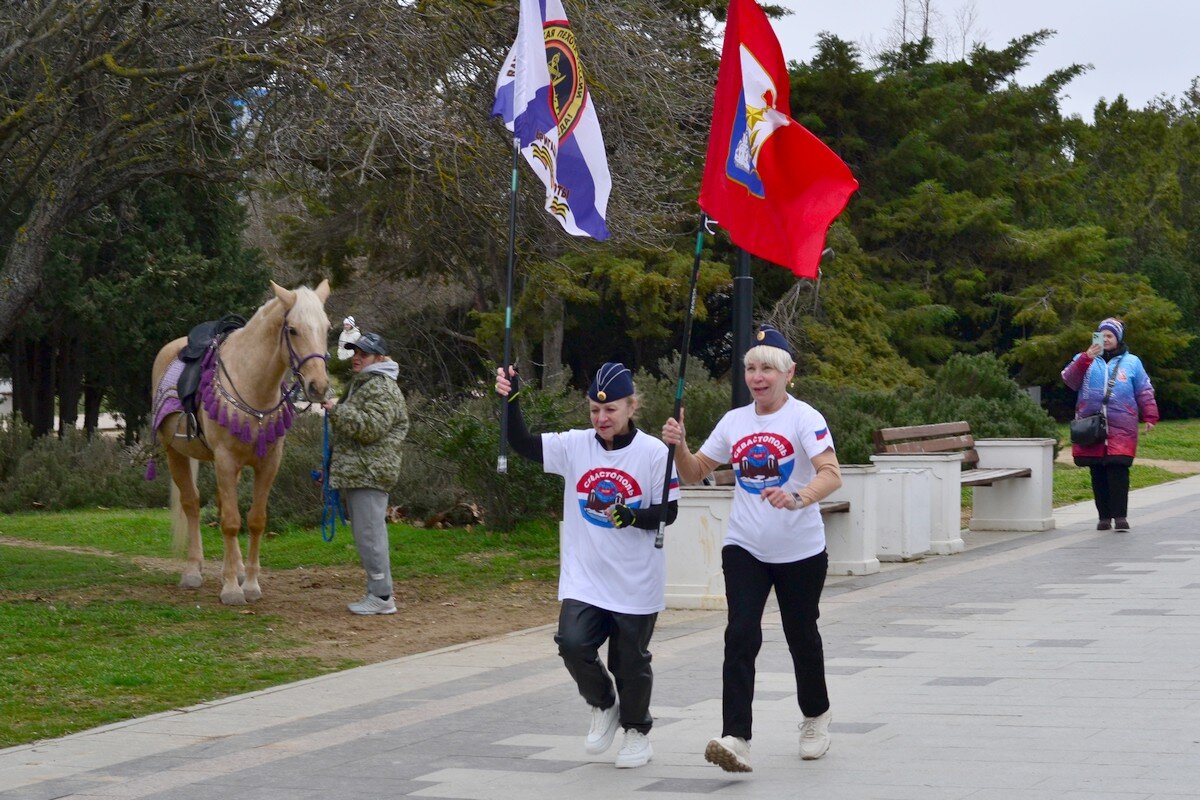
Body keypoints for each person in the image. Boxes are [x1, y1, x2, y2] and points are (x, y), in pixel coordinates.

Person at [661, 325, 842, 773]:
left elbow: (831, 472)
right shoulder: (735, 421)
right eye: (750, 368)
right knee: (740, 634)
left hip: (800, 549)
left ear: (788, 373)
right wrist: (680, 445)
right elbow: (693, 471)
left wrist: (797, 497)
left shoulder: (805, 418)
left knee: (802, 634)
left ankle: (816, 716)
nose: (758, 377)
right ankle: (736, 738)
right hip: (745, 546)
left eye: (767, 368)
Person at [494, 362, 679, 769]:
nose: (601, 419)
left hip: (635, 580)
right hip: (586, 578)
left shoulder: (652, 452)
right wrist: (511, 398)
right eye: (595, 411)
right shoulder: (575, 445)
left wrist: (634, 517)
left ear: (632, 406)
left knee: (629, 662)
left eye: (611, 410)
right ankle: (604, 703)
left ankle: (636, 732)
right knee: (573, 643)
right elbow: (522, 442)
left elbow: (671, 510)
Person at [321, 332, 409, 614]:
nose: (357, 357)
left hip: (369, 474)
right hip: (362, 473)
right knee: (367, 535)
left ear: (379, 358)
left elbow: (370, 428)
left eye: (364, 353)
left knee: (370, 536)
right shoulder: (366, 385)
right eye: (355, 351)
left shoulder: (380, 387)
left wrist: (336, 410)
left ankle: (382, 597)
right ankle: (378, 592)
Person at [1061, 317, 1158, 531]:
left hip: (1122, 426)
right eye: (1102, 335)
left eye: (1110, 336)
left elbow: (1144, 390)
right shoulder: (1084, 359)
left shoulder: (1132, 362)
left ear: (1118, 338)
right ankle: (1104, 517)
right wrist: (1086, 358)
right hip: (1091, 425)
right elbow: (1070, 380)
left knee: (1118, 468)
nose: (1105, 339)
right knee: (1097, 471)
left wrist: (1150, 415)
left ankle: (1120, 516)